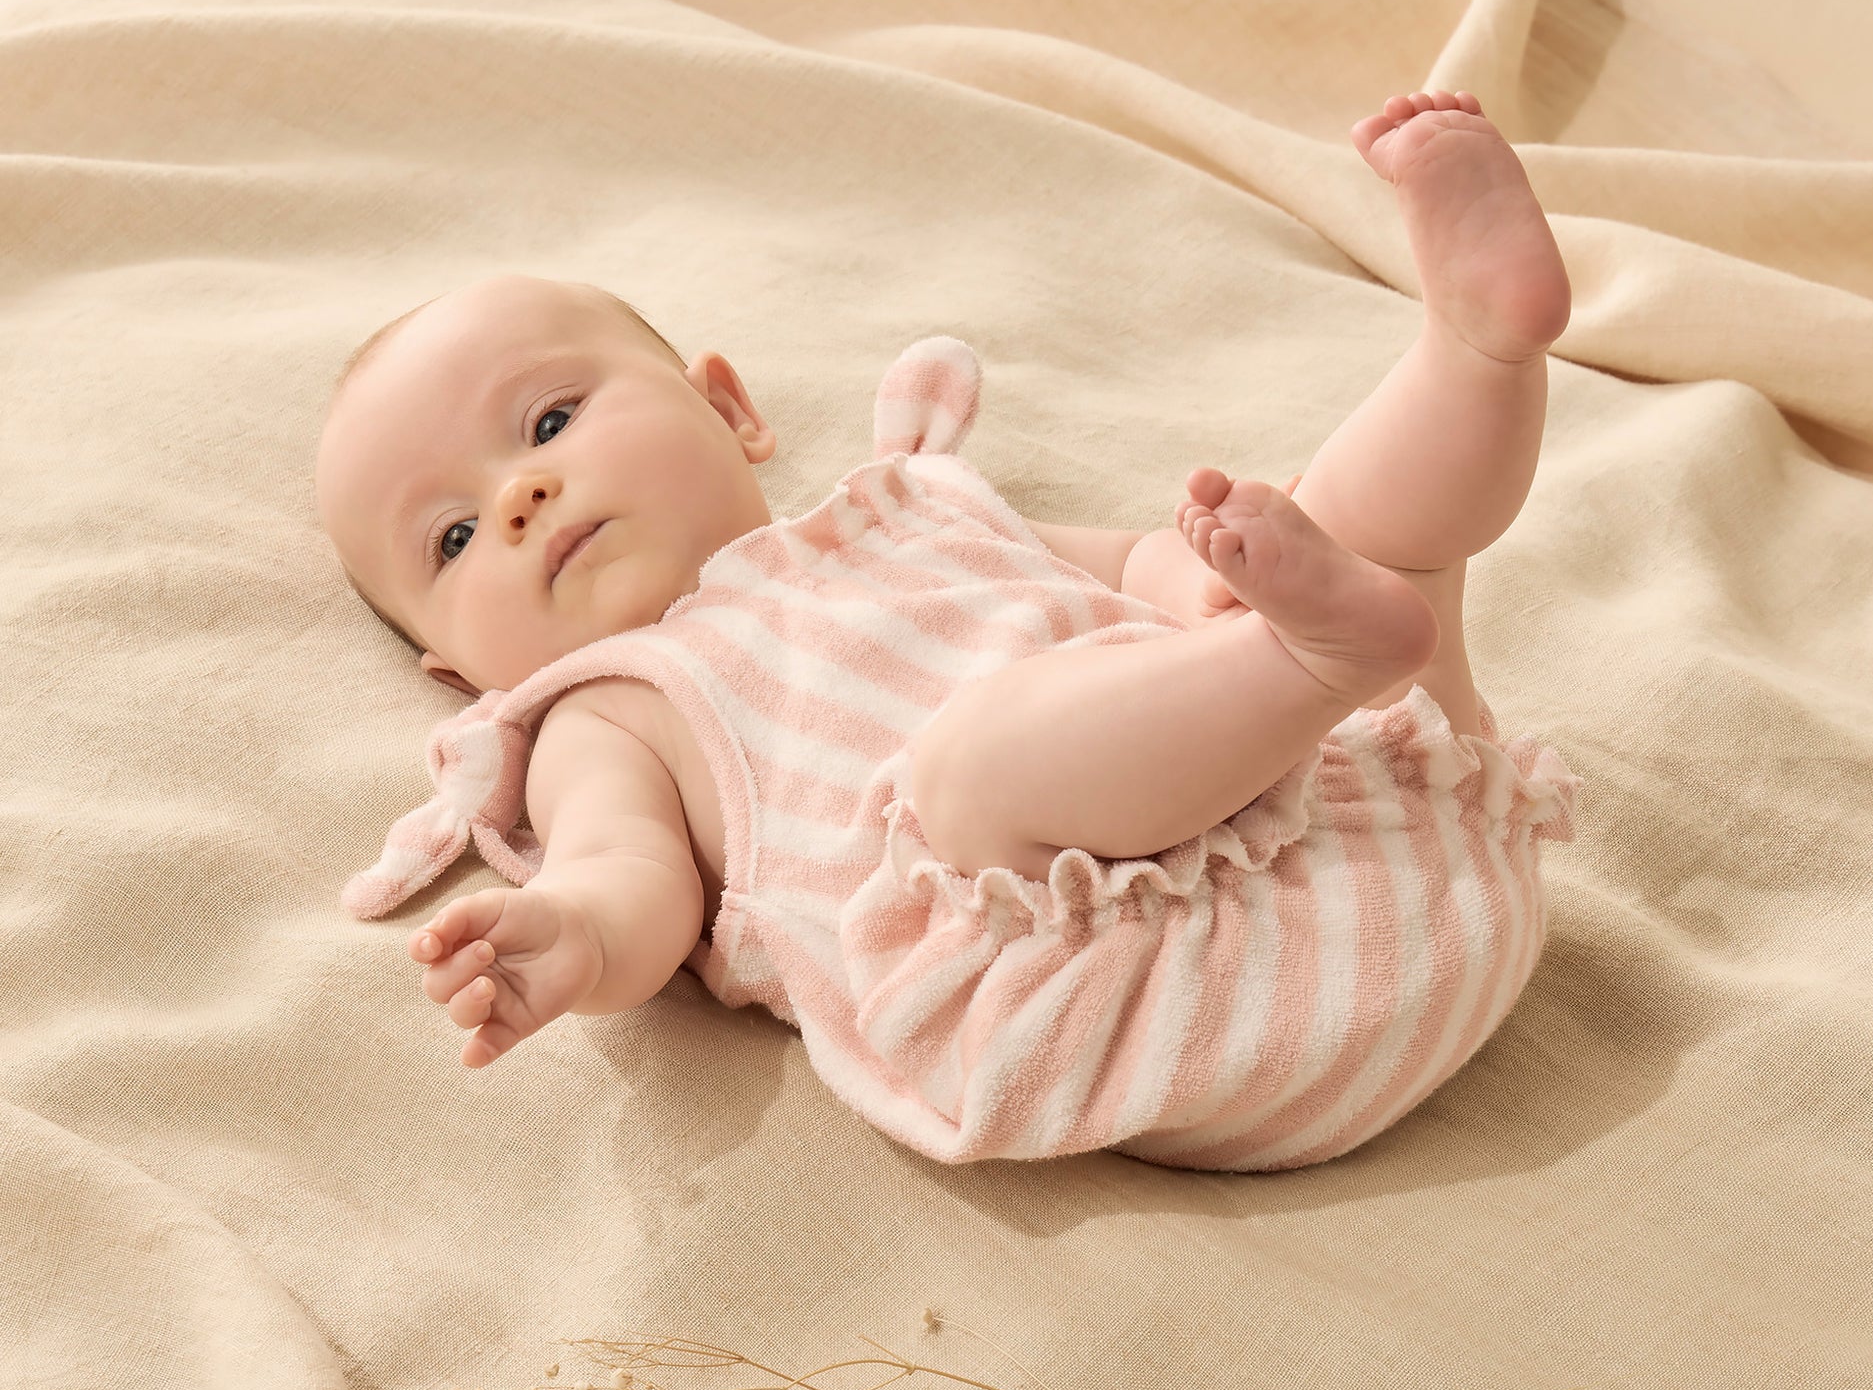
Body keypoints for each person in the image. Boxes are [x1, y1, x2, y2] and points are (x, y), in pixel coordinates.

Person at [317, 90, 1581, 1171]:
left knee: (1358, 535)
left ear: (729, 408)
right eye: (452, 540)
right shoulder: (611, 708)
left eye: (547, 423)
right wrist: (575, 936)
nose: (518, 498)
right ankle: (1300, 654)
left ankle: (1472, 350)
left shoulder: (920, 503)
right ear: (455, 672)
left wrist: (1194, 591)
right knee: (969, 767)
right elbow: (625, 876)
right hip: (1170, 992)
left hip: (1396, 845)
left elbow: (1120, 566)